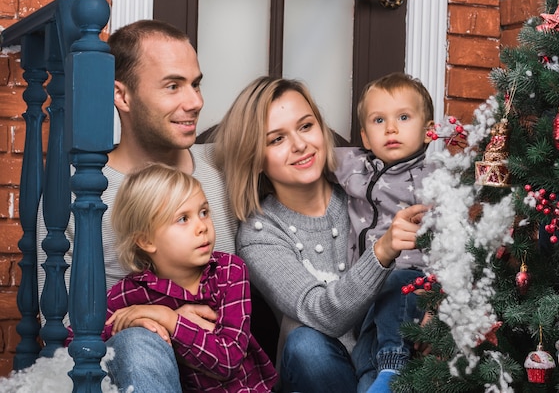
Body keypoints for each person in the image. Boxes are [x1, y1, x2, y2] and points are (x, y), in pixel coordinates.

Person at [36, 19, 238, 391]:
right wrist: (164, 319)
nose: (195, 102)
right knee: (138, 341)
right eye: (173, 86)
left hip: (225, 369)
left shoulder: (225, 170)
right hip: (132, 371)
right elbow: (63, 329)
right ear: (122, 95)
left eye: (196, 84)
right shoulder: (78, 189)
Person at [211, 76, 429, 393]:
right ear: (254, 158)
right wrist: (381, 252)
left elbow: (441, 248)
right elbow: (322, 314)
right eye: (276, 139)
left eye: (305, 126)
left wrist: (437, 307)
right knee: (304, 343)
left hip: (391, 359)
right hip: (321, 373)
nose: (300, 145)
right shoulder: (260, 233)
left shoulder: (368, 188)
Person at [64, 163, 277, 392]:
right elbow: (73, 342)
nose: (202, 227)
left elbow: (228, 360)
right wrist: (133, 326)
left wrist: (168, 319)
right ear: (146, 241)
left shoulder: (229, 272)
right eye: (183, 219)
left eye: (204, 212)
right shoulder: (132, 292)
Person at [334, 72, 436, 392]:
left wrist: (437, 302)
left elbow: (455, 246)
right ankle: (378, 378)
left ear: (429, 131)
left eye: (404, 117)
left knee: (397, 280)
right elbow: (311, 153)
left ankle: (394, 365)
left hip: (416, 290)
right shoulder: (354, 166)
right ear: (365, 137)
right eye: (379, 120)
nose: (391, 128)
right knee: (367, 366)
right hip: (368, 298)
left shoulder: (434, 181)